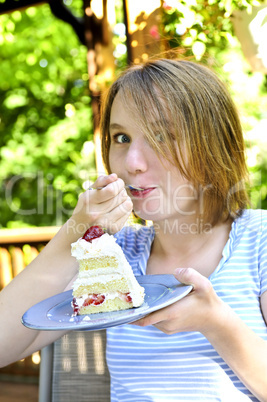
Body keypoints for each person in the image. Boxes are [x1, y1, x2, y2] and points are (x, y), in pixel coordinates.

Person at [0, 58, 266, 402]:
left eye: (163, 136)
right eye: (121, 137)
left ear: (215, 142)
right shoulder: (114, 257)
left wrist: (217, 324)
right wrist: (74, 235)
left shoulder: (259, 239)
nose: (132, 163)